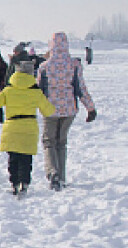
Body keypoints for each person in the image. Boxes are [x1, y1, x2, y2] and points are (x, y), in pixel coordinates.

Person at [0, 62, 55, 196]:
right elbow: (48, 111)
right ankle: (25, 183)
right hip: (29, 128)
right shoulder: (35, 92)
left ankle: (14, 183)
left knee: (13, 158)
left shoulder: (8, 91)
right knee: (26, 158)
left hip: (12, 127)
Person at [37, 32, 97, 191]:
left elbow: (38, 91)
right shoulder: (74, 65)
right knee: (61, 143)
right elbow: (81, 88)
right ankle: (61, 177)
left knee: (49, 142)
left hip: (49, 109)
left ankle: (53, 173)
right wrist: (90, 108)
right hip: (69, 109)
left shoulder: (44, 67)